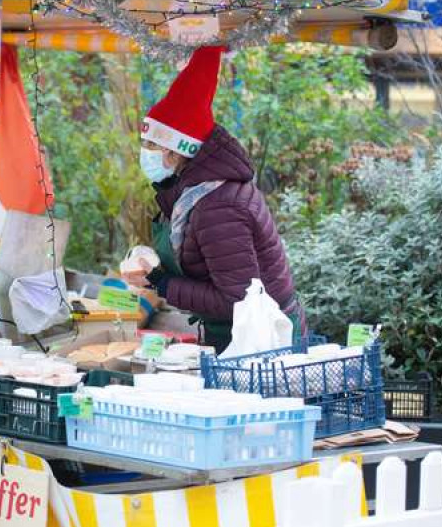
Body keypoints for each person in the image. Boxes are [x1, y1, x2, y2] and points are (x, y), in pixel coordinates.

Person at [124, 46, 306, 353]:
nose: (145, 152)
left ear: (175, 150)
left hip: (262, 341)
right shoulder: (190, 192)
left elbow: (236, 300)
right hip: (235, 334)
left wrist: (160, 282)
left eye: (151, 144)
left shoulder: (220, 207)